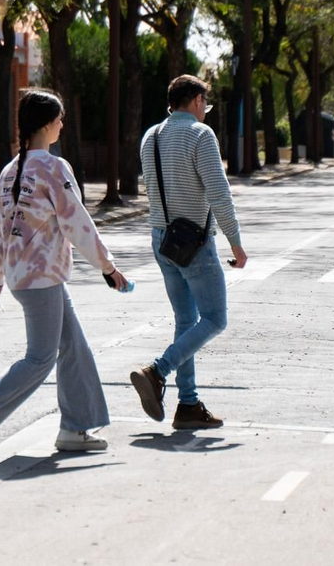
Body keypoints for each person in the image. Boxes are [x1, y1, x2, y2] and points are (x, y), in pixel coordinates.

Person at [0, 89, 132, 462]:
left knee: (74, 348)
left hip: (24, 277)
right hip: (42, 279)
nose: (63, 125)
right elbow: (78, 224)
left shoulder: (10, 170)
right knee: (41, 358)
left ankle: (75, 428)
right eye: (60, 119)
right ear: (48, 125)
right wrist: (108, 267)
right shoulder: (52, 167)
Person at [130, 74, 247, 431]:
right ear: (196, 100)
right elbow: (218, 192)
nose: (206, 111)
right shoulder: (200, 134)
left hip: (161, 239)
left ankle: (188, 405)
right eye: (205, 104)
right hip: (193, 241)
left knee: (186, 321)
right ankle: (158, 370)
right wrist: (236, 242)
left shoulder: (151, 136)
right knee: (215, 318)